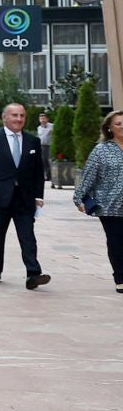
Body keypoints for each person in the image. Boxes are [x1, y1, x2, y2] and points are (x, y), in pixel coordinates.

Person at [0, 102, 50, 289]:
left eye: (22, 116)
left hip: (24, 198)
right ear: (5, 117)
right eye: (15, 115)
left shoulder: (32, 141)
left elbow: (38, 171)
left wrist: (39, 196)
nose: (19, 119)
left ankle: (33, 274)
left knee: (28, 236)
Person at [73, 110, 123, 293]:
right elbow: (88, 176)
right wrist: (78, 198)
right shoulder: (101, 150)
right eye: (118, 123)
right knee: (117, 242)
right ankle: (120, 278)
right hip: (110, 206)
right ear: (109, 128)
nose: (122, 126)